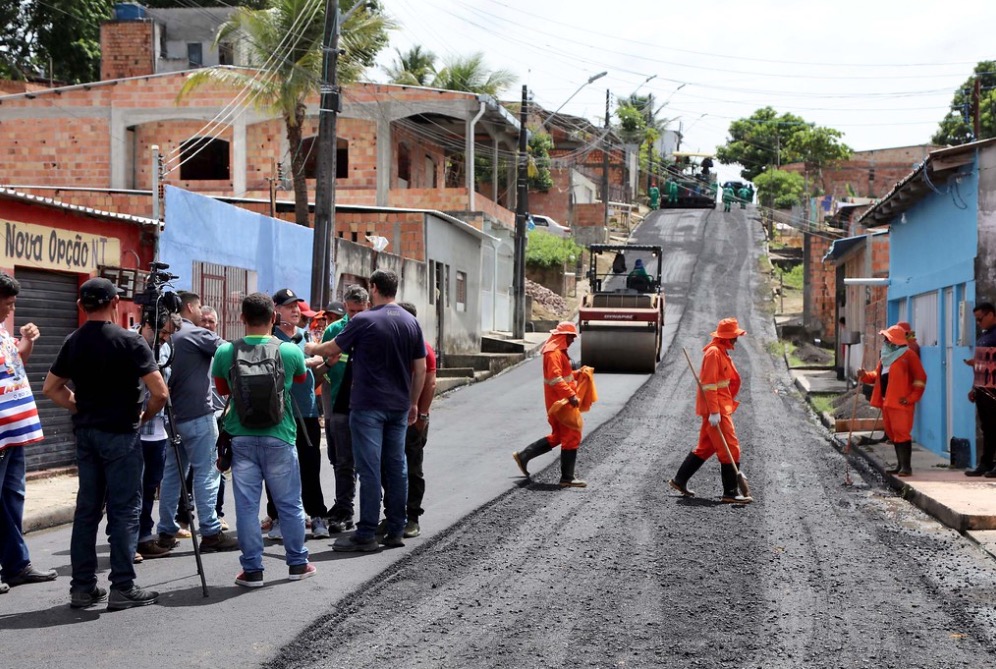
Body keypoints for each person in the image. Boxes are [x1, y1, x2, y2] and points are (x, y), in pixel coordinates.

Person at [43, 278, 168, 610]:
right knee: (125, 510)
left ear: (81, 306)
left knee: (87, 511)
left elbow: (51, 388)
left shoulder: (74, 341)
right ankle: (122, 586)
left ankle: (83, 587)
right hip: (121, 434)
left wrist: (79, 406)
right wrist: (143, 416)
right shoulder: (130, 341)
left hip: (87, 434)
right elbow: (160, 393)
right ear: (115, 302)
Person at [305, 270, 427, 552]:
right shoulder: (411, 322)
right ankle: (396, 529)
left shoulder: (364, 320)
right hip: (398, 406)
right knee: (396, 466)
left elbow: (331, 348)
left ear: (373, 288)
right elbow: (420, 369)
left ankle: (367, 533)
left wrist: (310, 345)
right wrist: (413, 402)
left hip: (368, 406)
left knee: (369, 468)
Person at [212, 292, 315, 588]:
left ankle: (253, 570)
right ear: (274, 318)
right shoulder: (289, 351)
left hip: (241, 438)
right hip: (280, 436)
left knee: (246, 507)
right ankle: (298, 564)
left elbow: (223, 388)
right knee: (290, 504)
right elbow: (298, 381)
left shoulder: (225, 352)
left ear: (242, 319)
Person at [156, 292, 238, 552]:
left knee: (172, 473)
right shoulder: (196, 333)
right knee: (207, 472)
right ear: (190, 307)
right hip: (198, 415)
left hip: (171, 416)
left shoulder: (167, 336)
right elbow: (232, 351)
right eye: (199, 306)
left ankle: (166, 530)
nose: (201, 312)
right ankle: (212, 532)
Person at [0, 272, 56, 595]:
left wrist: (28, 342)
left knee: (11, 499)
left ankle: (17, 565)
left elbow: (15, 362)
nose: (11, 309)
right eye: (7, 304)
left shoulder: (4, 331)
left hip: (14, 434)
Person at [265, 288, 328, 541]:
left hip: (309, 411)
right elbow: (298, 364)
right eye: (289, 306)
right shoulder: (272, 339)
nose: (295, 310)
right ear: (276, 310)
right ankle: (278, 517)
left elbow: (314, 372)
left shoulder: (306, 337)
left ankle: (318, 516)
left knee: (310, 466)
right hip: (281, 414)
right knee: (277, 470)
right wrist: (311, 359)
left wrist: (328, 361)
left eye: (297, 306)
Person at [668, 317, 753, 503]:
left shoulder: (721, 351)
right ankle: (730, 492)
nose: (736, 340)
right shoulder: (714, 353)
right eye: (734, 336)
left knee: (706, 447)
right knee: (731, 447)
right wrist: (714, 411)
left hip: (720, 406)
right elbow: (709, 385)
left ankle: (679, 480)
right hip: (717, 409)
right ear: (727, 337)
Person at [383, 301, 437, 539]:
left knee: (412, 468)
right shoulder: (391, 345)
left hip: (412, 420)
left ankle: (412, 517)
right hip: (390, 416)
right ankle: (393, 515)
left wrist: (421, 416)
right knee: (389, 468)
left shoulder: (423, 349)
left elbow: (430, 383)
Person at [512, 321, 589, 488]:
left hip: (559, 401)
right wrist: (570, 396)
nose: (572, 341)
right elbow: (555, 380)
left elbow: (564, 376)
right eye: (571, 338)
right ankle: (567, 478)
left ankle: (524, 455)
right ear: (563, 337)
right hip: (561, 403)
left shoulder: (558, 353)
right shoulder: (553, 354)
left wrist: (578, 374)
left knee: (560, 437)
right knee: (572, 435)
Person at [320, 287, 368, 533]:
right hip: (338, 404)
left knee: (369, 461)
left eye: (361, 311)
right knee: (341, 461)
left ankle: (375, 512)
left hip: (368, 406)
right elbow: (322, 367)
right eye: (352, 311)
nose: (357, 316)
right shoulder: (334, 330)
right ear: (346, 308)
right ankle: (344, 509)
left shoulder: (373, 329)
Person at [134, 312, 181, 561]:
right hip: (133, 430)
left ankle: (143, 536)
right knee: (131, 488)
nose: (165, 338)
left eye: (169, 334)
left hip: (158, 430)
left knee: (150, 485)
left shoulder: (164, 350)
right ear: (147, 323)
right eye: (162, 332)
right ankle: (128, 541)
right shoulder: (130, 343)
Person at [858, 324, 928, 477]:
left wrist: (912, 398)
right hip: (886, 402)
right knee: (892, 433)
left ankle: (906, 467)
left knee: (902, 433)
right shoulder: (885, 359)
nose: (885, 341)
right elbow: (876, 376)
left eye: (887, 339)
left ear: (894, 340)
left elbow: (920, 378)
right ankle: (899, 465)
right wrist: (863, 375)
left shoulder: (908, 355)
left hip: (901, 403)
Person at [966, 302, 996, 477]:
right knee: (987, 428)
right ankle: (985, 463)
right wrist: (974, 388)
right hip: (983, 388)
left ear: (991, 314)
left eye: (980, 319)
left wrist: (979, 363)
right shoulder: (984, 336)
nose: (978, 323)